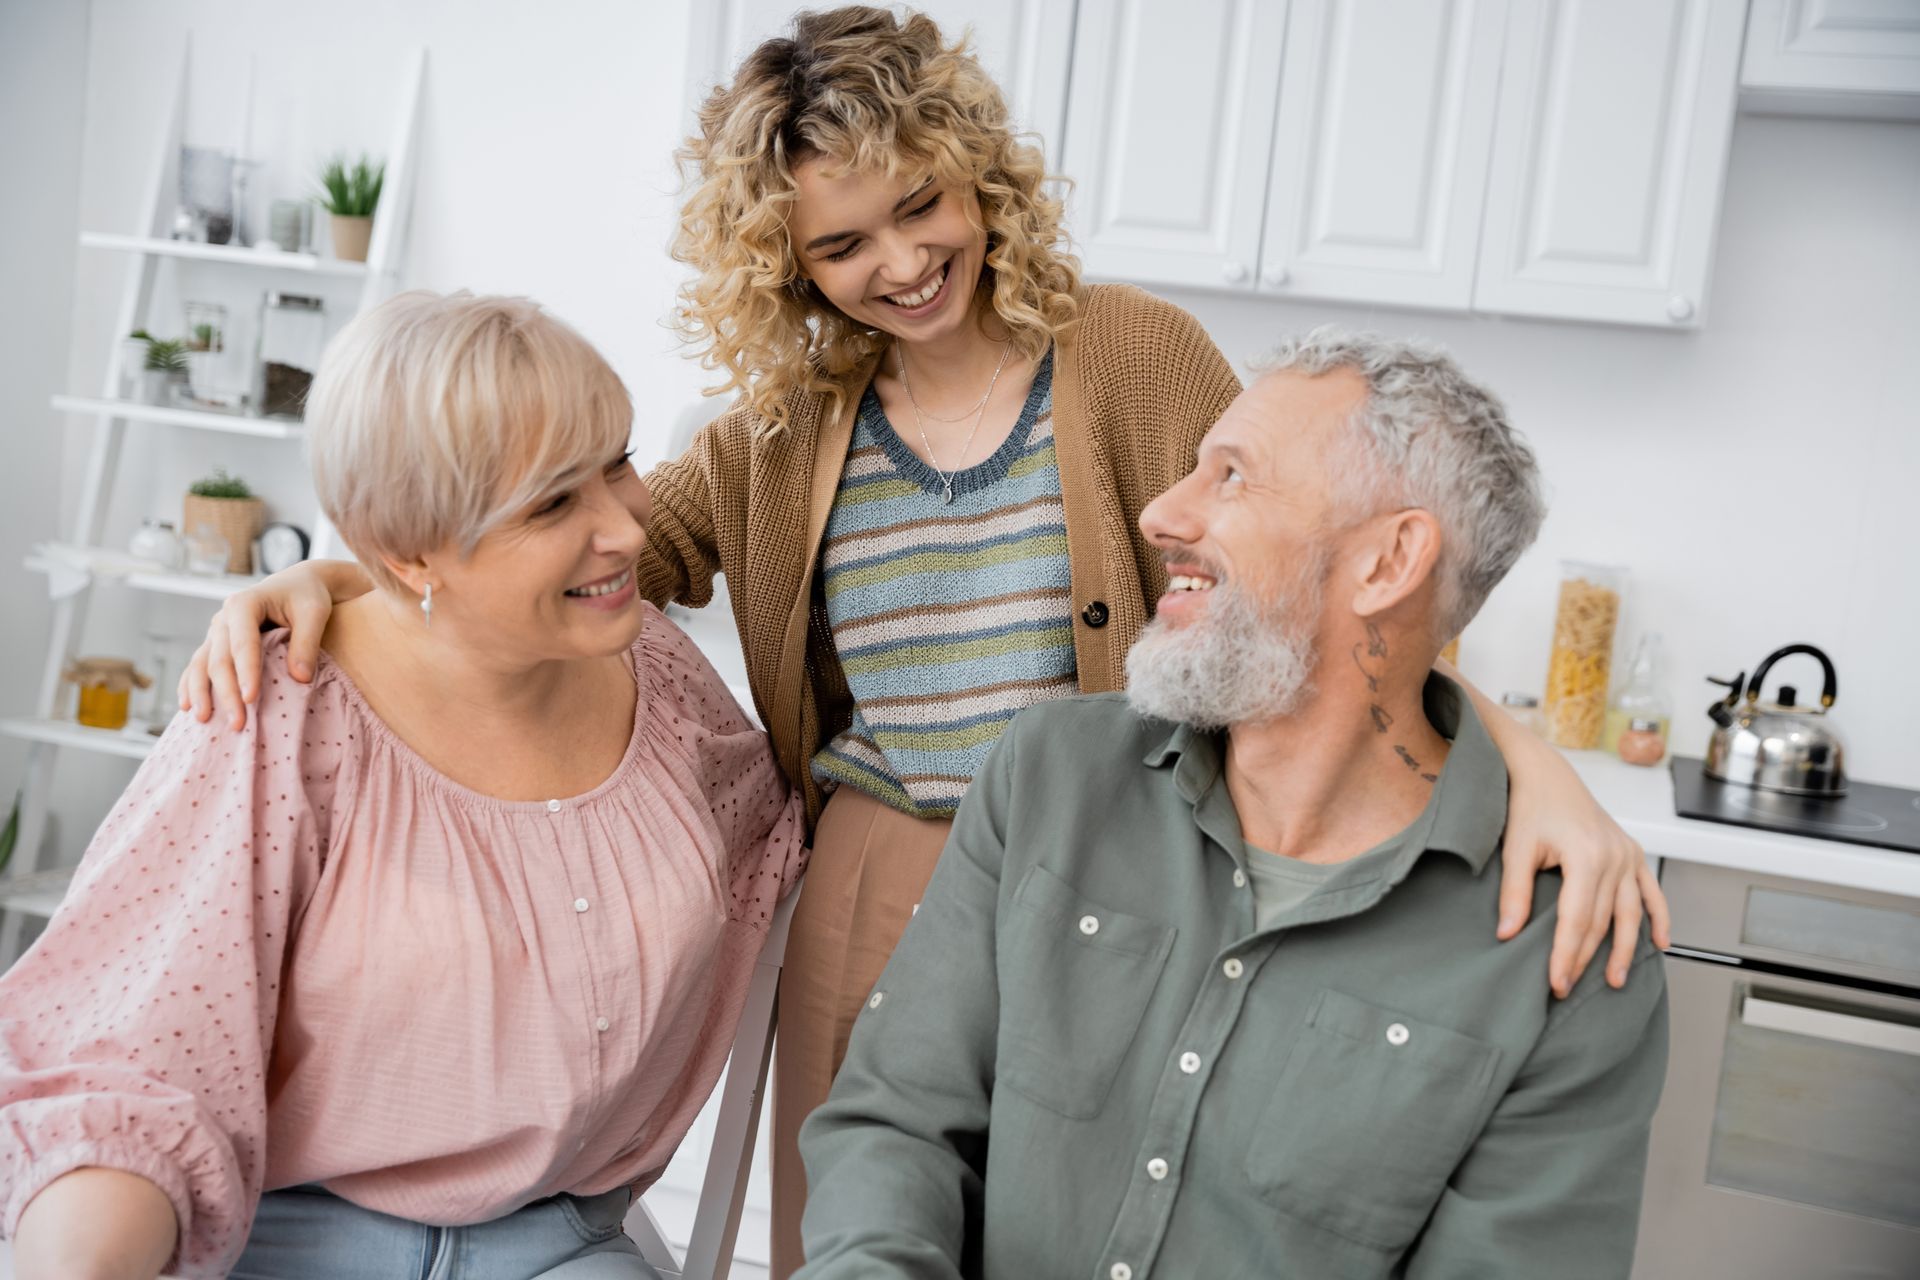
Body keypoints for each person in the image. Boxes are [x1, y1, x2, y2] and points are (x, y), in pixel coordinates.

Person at [174, 10, 1667, 1274]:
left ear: (979, 176)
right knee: (866, 1212)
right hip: (879, 872)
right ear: (788, 263)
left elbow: (1324, 582)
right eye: (841, 243)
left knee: (1110, 1207)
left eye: (920, 204)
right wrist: (350, 590)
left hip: (1121, 858)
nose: (898, 260)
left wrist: (1534, 765)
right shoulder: (779, 424)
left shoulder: (1130, 352)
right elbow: (582, 556)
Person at [795, 328, 1670, 1279]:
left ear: (1388, 563)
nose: (1160, 513)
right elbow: (897, 1122)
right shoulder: (1051, 774)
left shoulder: (1566, 958)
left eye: (1233, 477)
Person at [0, 292, 804, 1280]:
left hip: (558, 1243)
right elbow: (141, 1061)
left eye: (619, 462)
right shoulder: (280, 715)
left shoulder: (666, 683)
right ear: (411, 550)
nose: (625, 528)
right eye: (555, 502)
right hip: (291, 1242)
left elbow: (793, 825)